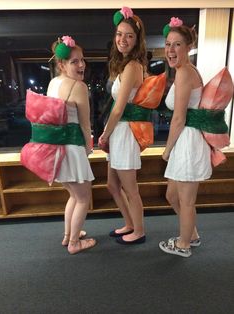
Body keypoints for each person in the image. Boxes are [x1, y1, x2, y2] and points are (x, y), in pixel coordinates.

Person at [158, 17, 212, 257]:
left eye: (177, 44)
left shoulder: (184, 73)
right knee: (172, 195)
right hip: (186, 141)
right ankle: (192, 234)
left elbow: (179, 118)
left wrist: (167, 150)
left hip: (187, 142)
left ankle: (184, 244)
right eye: (168, 44)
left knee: (186, 200)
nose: (170, 50)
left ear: (189, 47)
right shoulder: (185, 71)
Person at [98, 7, 148, 245]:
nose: (122, 39)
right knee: (112, 185)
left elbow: (118, 109)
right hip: (117, 131)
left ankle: (139, 231)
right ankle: (130, 223)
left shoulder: (133, 66)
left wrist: (104, 135)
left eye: (129, 35)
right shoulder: (124, 65)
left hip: (124, 132)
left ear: (137, 40)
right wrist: (109, 134)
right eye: (119, 34)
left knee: (130, 188)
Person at [46, 36, 96, 254]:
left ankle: (69, 236)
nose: (81, 65)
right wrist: (89, 149)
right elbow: (85, 124)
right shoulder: (78, 86)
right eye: (74, 61)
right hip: (73, 149)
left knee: (74, 196)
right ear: (62, 65)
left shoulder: (53, 83)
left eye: (82, 60)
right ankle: (75, 243)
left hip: (55, 149)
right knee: (84, 197)